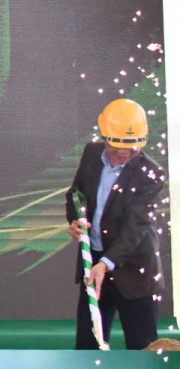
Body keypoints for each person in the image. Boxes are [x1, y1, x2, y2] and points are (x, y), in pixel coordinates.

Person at [65, 99, 168, 350]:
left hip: (134, 271)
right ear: (104, 136)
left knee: (143, 351)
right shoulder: (91, 153)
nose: (124, 152)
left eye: (132, 147)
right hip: (93, 265)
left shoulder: (151, 174)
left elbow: (137, 227)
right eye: (118, 145)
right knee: (88, 348)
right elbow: (75, 195)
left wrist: (106, 263)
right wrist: (74, 221)